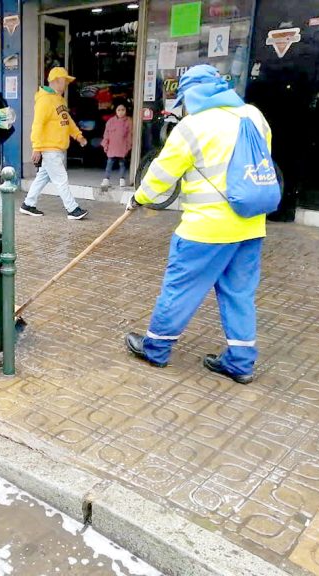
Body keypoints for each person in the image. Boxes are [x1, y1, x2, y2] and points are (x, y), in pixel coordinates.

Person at [125, 64, 274, 385]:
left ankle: (156, 348)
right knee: (239, 294)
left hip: (206, 229)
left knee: (181, 289)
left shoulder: (193, 126)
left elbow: (163, 173)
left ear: (192, 95)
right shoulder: (254, 116)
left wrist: (139, 197)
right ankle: (241, 363)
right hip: (250, 226)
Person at [21, 67, 89, 220]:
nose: (66, 85)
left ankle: (28, 204)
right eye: (64, 81)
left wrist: (78, 135)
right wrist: (36, 148)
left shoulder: (59, 99)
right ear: (56, 81)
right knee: (61, 179)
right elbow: (37, 124)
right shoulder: (44, 100)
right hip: (50, 148)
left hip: (55, 148)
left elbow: (67, 120)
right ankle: (72, 209)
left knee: (42, 177)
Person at [101, 101, 133, 189]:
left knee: (122, 164)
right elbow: (106, 134)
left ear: (126, 110)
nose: (121, 112)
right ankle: (106, 179)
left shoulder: (129, 121)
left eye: (123, 110)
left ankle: (122, 180)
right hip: (112, 147)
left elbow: (129, 135)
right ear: (115, 111)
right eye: (119, 110)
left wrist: (128, 146)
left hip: (122, 147)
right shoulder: (110, 121)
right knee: (109, 163)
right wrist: (105, 145)